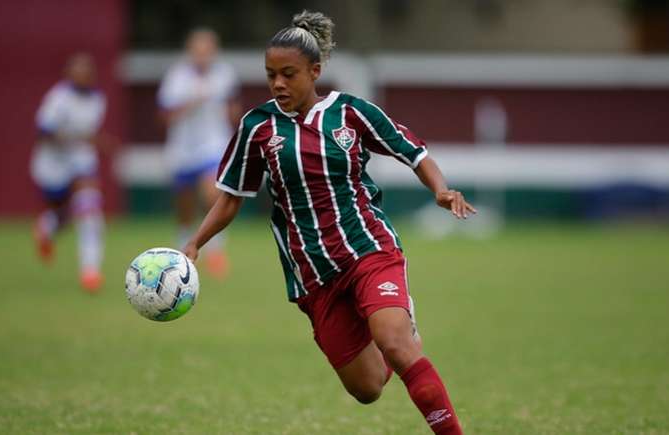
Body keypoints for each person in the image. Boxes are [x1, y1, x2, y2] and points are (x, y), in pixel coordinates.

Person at [184, 11, 475, 434]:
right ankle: (390, 332)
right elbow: (231, 199)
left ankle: (405, 344)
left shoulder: (351, 112)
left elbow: (413, 152)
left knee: (397, 346)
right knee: (368, 388)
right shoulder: (257, 126)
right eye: (271, 76)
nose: (279, 84)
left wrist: (440, 190)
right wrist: (195, 243)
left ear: (314, 71)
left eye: (289, 74)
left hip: (368, 248)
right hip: (313, 275)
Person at [158, 28, 240, 279]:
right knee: (185, 206)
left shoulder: (225, 74)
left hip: (213, 145)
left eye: (208, 50)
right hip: (182, 149)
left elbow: (233, 106)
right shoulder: (176, 77)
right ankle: (183, 249)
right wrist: (191, 103)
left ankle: (215, 251)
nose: (203, 56)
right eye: (199, 51)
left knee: (213, 192)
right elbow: (164, 116)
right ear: (190, 52)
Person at [31, 53, 111, 292]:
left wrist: (98, 141)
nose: (85, 75)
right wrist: (79, 138)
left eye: (88, 71)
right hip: (52, 165)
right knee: (64, 217)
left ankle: (90, 272)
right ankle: (47, 227)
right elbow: (44, 133)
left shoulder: (98, 99)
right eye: (79, 70)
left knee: (90, 208)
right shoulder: (58, 99)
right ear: (68, 74)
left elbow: (89, 133)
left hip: (81, 162)